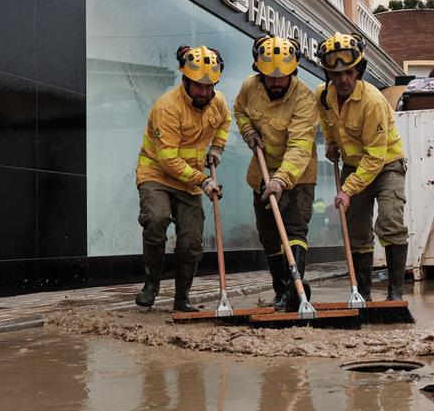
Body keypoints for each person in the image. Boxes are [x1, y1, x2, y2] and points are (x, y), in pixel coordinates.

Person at [134, 45, 230, 312]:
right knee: (156, 219)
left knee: (191, 242)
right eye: (198, 86)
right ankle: (151, 284)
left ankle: (182, 299)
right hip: (157, 173)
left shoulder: (217, 102)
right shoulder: (167, 107)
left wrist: (217, 148)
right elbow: (168, 159)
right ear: (185, 79)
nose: (204, 92)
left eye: (209, 86)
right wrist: (204, 180)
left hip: (190, 180)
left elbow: (225, 121)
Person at [315, 32, 409, 300]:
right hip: (353, 165)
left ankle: (395, 293)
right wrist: (331, 143)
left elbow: (375, 158)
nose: (343, 79)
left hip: (386, 165)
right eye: (336, 74)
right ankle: (363, 295)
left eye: (349, 72)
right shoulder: (323, 96)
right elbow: (327, 121)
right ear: (328, 74)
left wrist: (347, 190)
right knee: (356, 230)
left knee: (390, 221)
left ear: (358, 70)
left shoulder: (373, 101)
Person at [233, 35, 318, 309]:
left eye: (283, 77)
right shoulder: (250, 88)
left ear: (293, 71)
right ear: (260, 73)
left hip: (297, 175)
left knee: (293, 229)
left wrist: (281, 180)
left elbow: (300, 146)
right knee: (269, 235)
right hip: (262, 173)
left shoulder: (304, 98)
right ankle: (281, 291)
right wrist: (248, 130)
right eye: (271, 78)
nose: (277, 83)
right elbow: (239, 110)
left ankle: (294, 290)